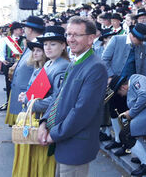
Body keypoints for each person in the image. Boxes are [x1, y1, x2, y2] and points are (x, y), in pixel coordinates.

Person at [38, 16, 108, 177]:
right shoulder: (75, 61)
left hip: (75, 145)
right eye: (68, 34)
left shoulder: (96, 67)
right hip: (63, 140)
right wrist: (44, 122)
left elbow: (82, 111)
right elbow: (59, 97)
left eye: (76, 35)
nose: (71, 39)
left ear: (91, 38)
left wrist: (53, 135)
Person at [13, 26, 70, 177]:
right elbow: (41, 91)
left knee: (42, 165)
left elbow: (57, 99)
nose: (48, 48)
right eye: (45, 44)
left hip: (45, 121)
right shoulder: (49, 63)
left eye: (53, 44)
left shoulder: (62, 66)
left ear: (63, 46)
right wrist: (28, 95)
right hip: (35, 116)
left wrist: (29, 100)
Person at [101, 23, 146, 156]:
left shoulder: (141, 46)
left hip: (131, 87)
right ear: (132, 35)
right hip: (115, 84)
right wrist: (112, 78)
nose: (140, 42)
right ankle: (118, 139)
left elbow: (141, 67)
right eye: (139, 39)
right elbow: (104, 60)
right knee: (113, 112)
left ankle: (125, 143)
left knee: (125, 114)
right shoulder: (117, 40)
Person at [110, 74, 146, 176]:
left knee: (125, 135)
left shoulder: (136, 80)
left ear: (123, 87)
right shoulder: (132, 84)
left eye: (119, 92)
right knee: (130, 132)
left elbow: (144, 95)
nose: (121, 95)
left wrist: (131, 113)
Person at [5, 16, 45, 126]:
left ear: (30, 30)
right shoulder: (32, 43)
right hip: (23, 94)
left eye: (25, 28)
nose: (24, 31)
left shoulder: (40, 45)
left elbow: (40, 74)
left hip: (28, 96)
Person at [0, 22, 25, 111]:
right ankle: (8, 102)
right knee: (9, 84)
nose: (22, 31)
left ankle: (19, 103)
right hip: (9, 64)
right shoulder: (6, 40)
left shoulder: (24, 40)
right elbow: (1, 51)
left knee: (19, 84)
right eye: (20, 29)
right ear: (14, 30)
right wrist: (2, 59)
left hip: (20, 65)